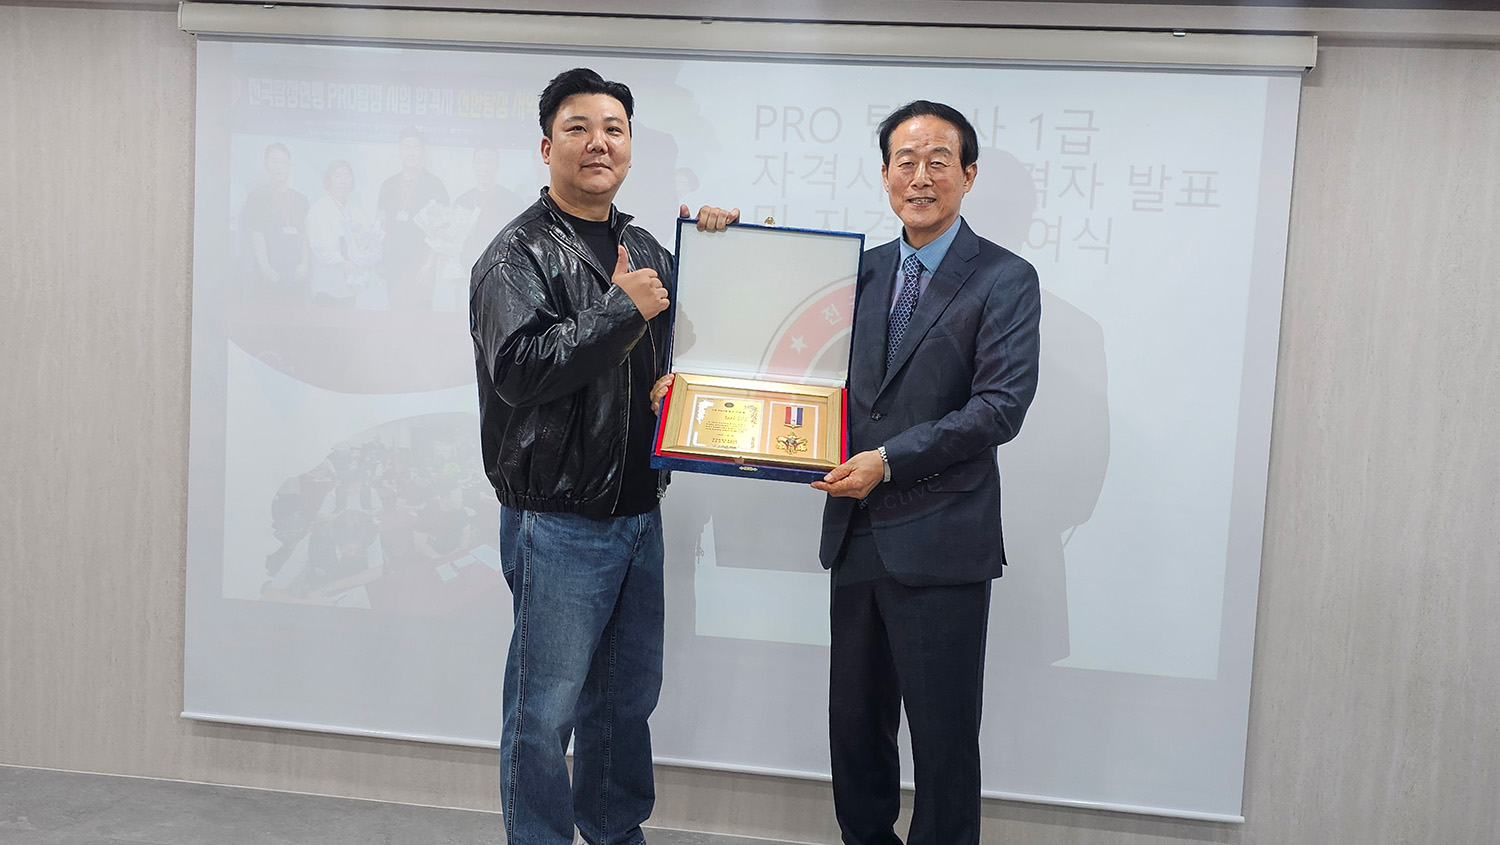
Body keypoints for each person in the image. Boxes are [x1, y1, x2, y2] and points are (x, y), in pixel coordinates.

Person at [469, 67, 737, 845]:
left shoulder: (644, 244)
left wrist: (717, 248)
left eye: (613, 129)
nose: (599, 143)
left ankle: (616, 833)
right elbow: (520, 370)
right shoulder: (514, 254)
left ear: (629, 146)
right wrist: (622, 309)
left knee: (624, 703)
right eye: (579, 128)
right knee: (543, 713)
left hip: (639, 513)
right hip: (557, 519)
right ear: (547, 146)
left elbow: (691, 346)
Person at [812, 101, 1042, 845]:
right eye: (904, 161)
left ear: (968, 175)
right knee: (854, 731)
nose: (920, 176)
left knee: (943, 745)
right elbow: (797, 370)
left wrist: (888, 462)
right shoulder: (856, 271)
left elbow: (999, 408)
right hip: (856, 535)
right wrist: (723, 237)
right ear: (885, 174)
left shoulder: (1005, 278)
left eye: (938, 161)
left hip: (943, 541)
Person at [378, 126, 449, 309]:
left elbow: (441, 230)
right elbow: (381, 224)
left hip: (421, 264)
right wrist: (379, 258)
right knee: (395, 313)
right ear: (400, 150)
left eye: (416, 147)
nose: (411, 152)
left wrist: (430, 264)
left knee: (420, 314)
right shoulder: (388, 184)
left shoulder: (434, 184)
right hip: (393, 261)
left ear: (422, 150)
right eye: (406, 147)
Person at [240, 142, 309, 303]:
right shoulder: (257, 197)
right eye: (275, 162)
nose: (279, 167)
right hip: (269, 274)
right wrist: (265, 269)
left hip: (297, 274)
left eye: (283, 162)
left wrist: (304, 264)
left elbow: (306, 235)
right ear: (266, 165)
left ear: (290, 166)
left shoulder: (301, 199)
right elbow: (256, 234)